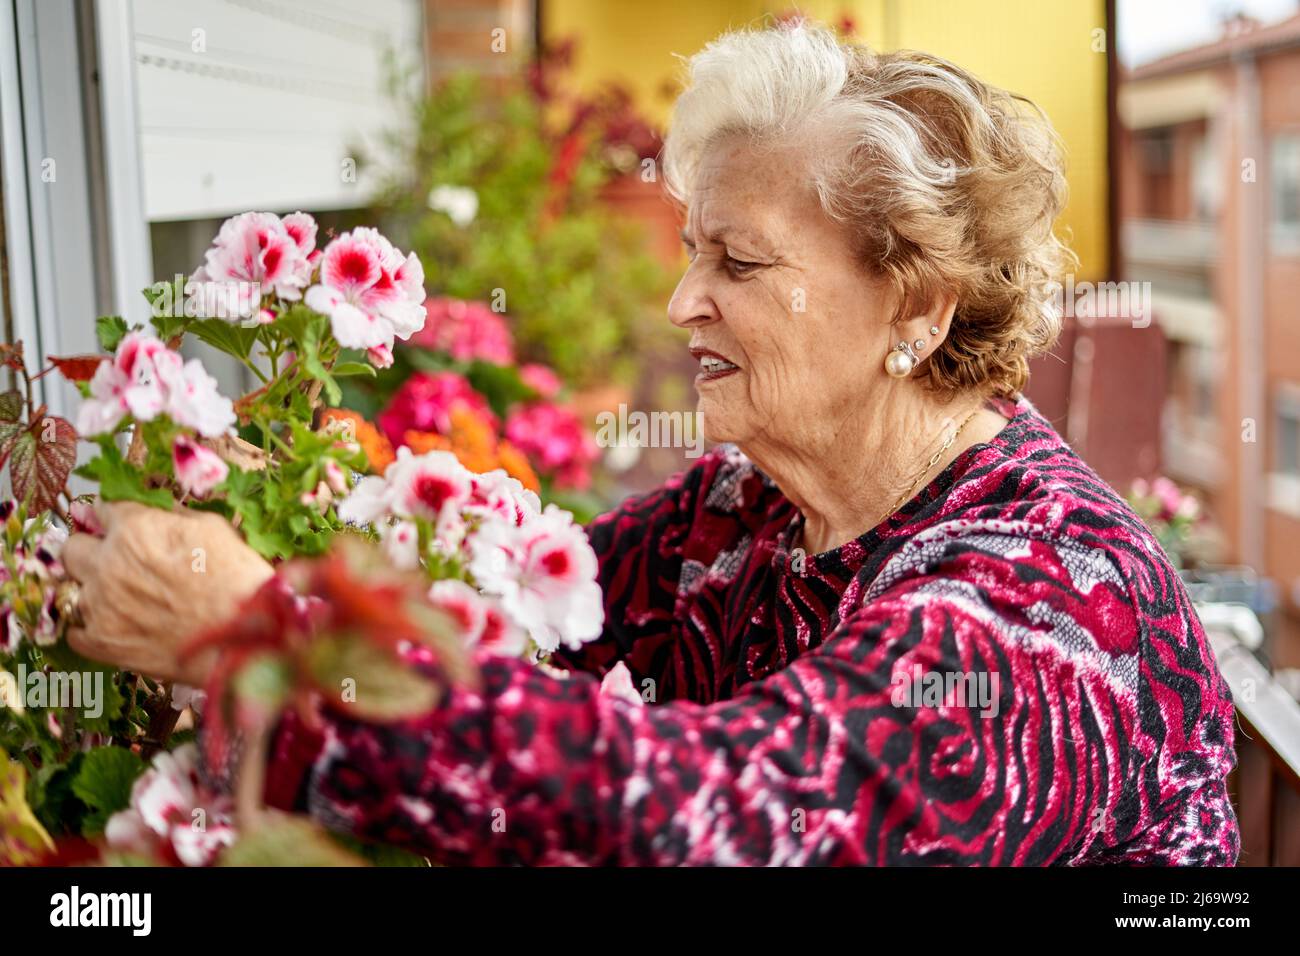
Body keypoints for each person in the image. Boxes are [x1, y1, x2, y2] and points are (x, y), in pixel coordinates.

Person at [62, 22, 1239, 866]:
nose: (681, 302)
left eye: (737, 261)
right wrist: (290, 504)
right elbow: (503, 614)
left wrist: (260, 633)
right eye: (690, 249)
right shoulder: (741, 511)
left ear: (916, 307)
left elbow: (715, 814)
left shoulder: (1048, 605)